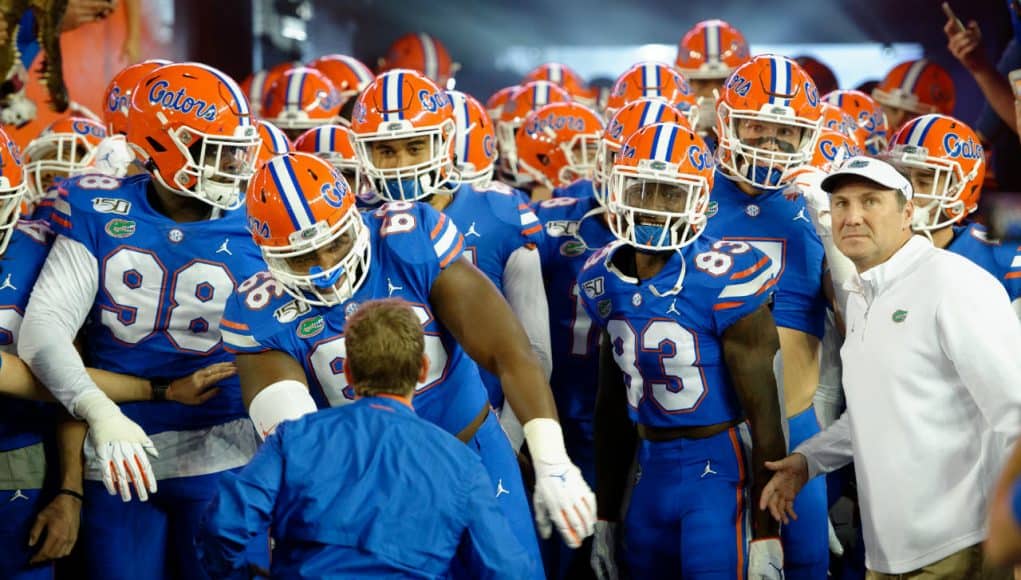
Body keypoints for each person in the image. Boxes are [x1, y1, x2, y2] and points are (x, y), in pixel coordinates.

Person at [221, 152, 594, 579]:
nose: (327, 267)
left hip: (470, 450)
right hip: (367, 487)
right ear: (268, 257)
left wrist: (551, 460)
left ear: (355, 219)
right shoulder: (260, 310)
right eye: (301, 257)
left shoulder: (408, 240)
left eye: (335, 243)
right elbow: (298, 433)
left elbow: (510, 353)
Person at [17, 62, 269, 579]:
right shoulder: (97, 207)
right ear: (161, 145)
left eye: (237, 149)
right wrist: (98, 411)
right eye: (212, 148)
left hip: (228, 448)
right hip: (117, 451)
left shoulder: (265, 215)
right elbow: (44, 331)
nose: (235, 165)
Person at [760, 156, 1021, 579]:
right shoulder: (863, 293)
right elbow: (875, 409)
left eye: (870, 201)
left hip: (962, 548)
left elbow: (1016, 413)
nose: (853, 216)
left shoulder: (954, 283)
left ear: (906, 212)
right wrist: (807, 461)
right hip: (887, 557)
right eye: (840, 203)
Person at [580, 122, 787, 579]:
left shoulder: (725, 273)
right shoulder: (600, 277)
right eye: (643, 189)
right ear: (618, 189)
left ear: (697, 200)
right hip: (647, 467)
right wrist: (606, 514)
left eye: (670, 194)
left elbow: (766, 413)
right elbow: (611, 407)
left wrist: (766, 531)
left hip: (716, 470)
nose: (653, 207)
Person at [198, 298, 532, 579]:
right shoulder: (461, 464)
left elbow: (223, 525)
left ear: (348, 373)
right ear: (422, 369)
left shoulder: (295, 439)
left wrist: (237, 575)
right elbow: (508, 570)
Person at [705, 53, 831, 579]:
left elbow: (861, 321)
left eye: (786, 130)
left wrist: (829, 220)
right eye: (757, 124)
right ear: (726, 119)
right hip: (709, 426)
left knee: (804, 567)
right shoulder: (690, 191)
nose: (770, 140)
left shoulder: (826, 199)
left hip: (799, 425)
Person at [884, 114, 1021, 314]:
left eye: (924, 180)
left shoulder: (1003, 259)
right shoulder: (875, 248)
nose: (907, 191)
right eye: (901, 177)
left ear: (961, 187)